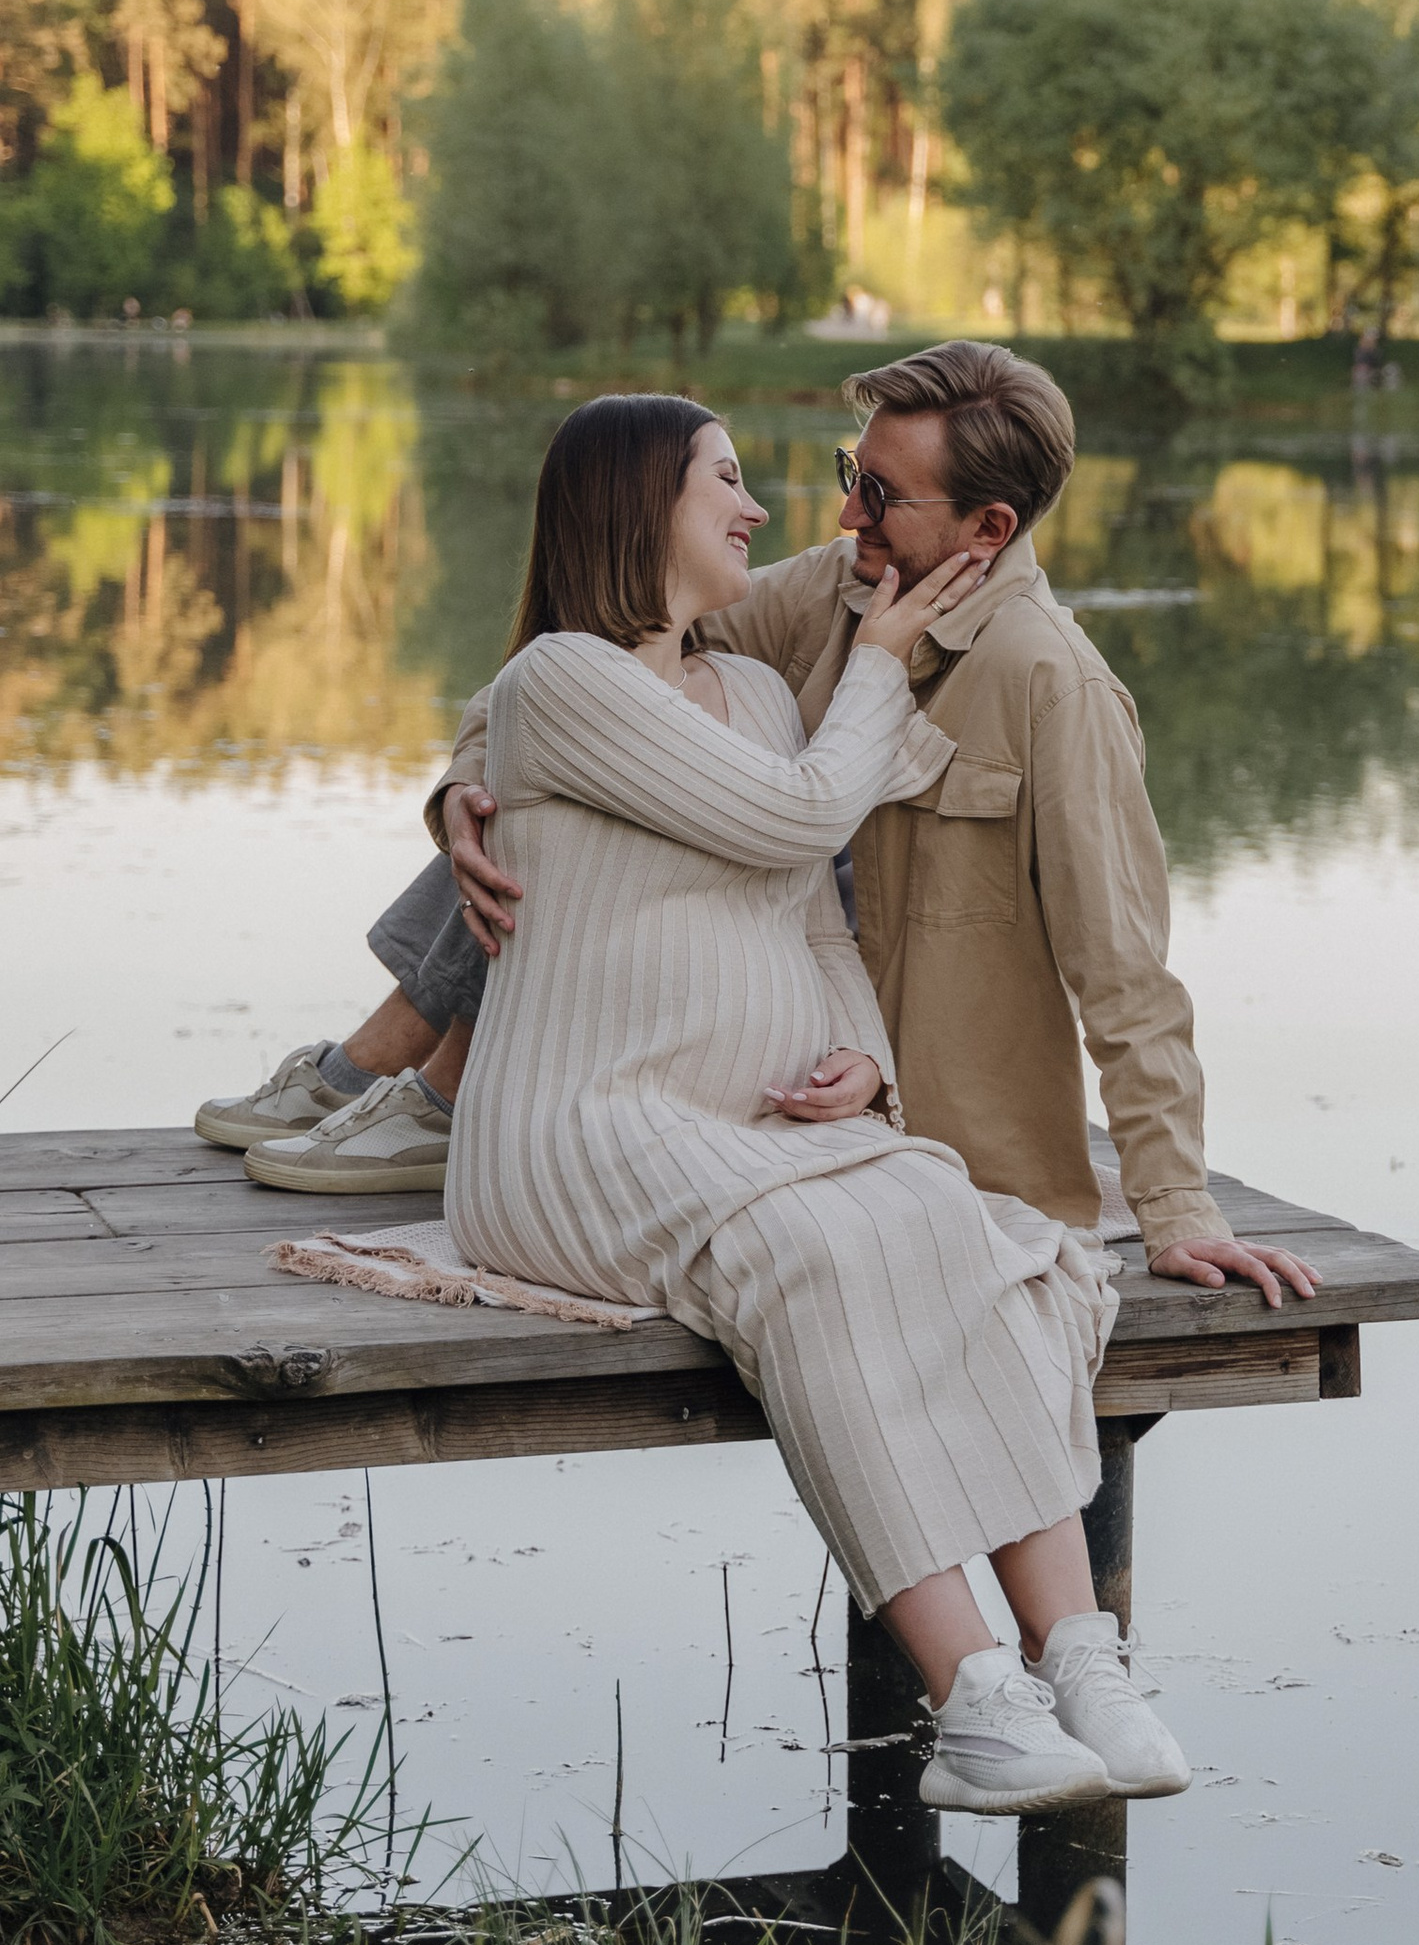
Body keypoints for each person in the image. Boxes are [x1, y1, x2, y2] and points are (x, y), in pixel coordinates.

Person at [291, 390, 1196, 1822]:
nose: (779, 511)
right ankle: (972, 1698)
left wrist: (865, 1059)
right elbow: (795, 819)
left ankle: (1081, 1658)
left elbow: (817, 923)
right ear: (642, 506)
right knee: (816, 1258)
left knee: (980, 1230)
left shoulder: (776, 690)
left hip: (755, 1130)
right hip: (584, 1131)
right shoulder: (568, 685)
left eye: (861, 489)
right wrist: (882, 672)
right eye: (729, 481)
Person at [204, 342, 1315, 1310]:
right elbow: (591, 652)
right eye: (851, 475)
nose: (844, 516)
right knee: (584, 778)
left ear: (988, 526)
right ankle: (402, 1080)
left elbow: (1126, 973)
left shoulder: (1053, 687)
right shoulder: (836, 586)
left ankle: (411, 1085)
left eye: (880, 495)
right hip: (729, 1061)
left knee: (666, 784)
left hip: (876, 1113)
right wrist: (463, 787)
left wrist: (1174, 1209)